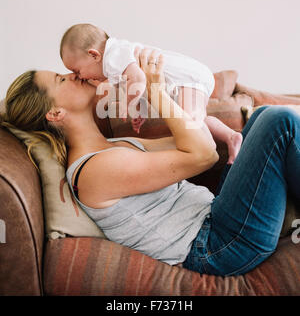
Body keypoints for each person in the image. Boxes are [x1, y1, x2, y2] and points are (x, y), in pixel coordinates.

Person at [1, 51, 300, 276]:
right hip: (218, 246)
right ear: (54, 113)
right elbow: (204, 154)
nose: (74, 75)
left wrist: (151, 81)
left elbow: (196, 136)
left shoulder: (117, 147)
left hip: (218, 217)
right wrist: (155, 91)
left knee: (262, 117)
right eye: (60, 79)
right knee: (279, 121)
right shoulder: (93, 171)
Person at [60, 23, 243, 164]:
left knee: (191, 125)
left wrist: (127, 104)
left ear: (94, 55)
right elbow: (139, 85)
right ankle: (230, 136)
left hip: (188, 77)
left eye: (77, 71)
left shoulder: (113, 56)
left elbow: (138, 80)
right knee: (195, 123)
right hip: (184, 81)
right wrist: (140, 110)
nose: (80, 77)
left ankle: (220, 143)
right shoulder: (113, 63)